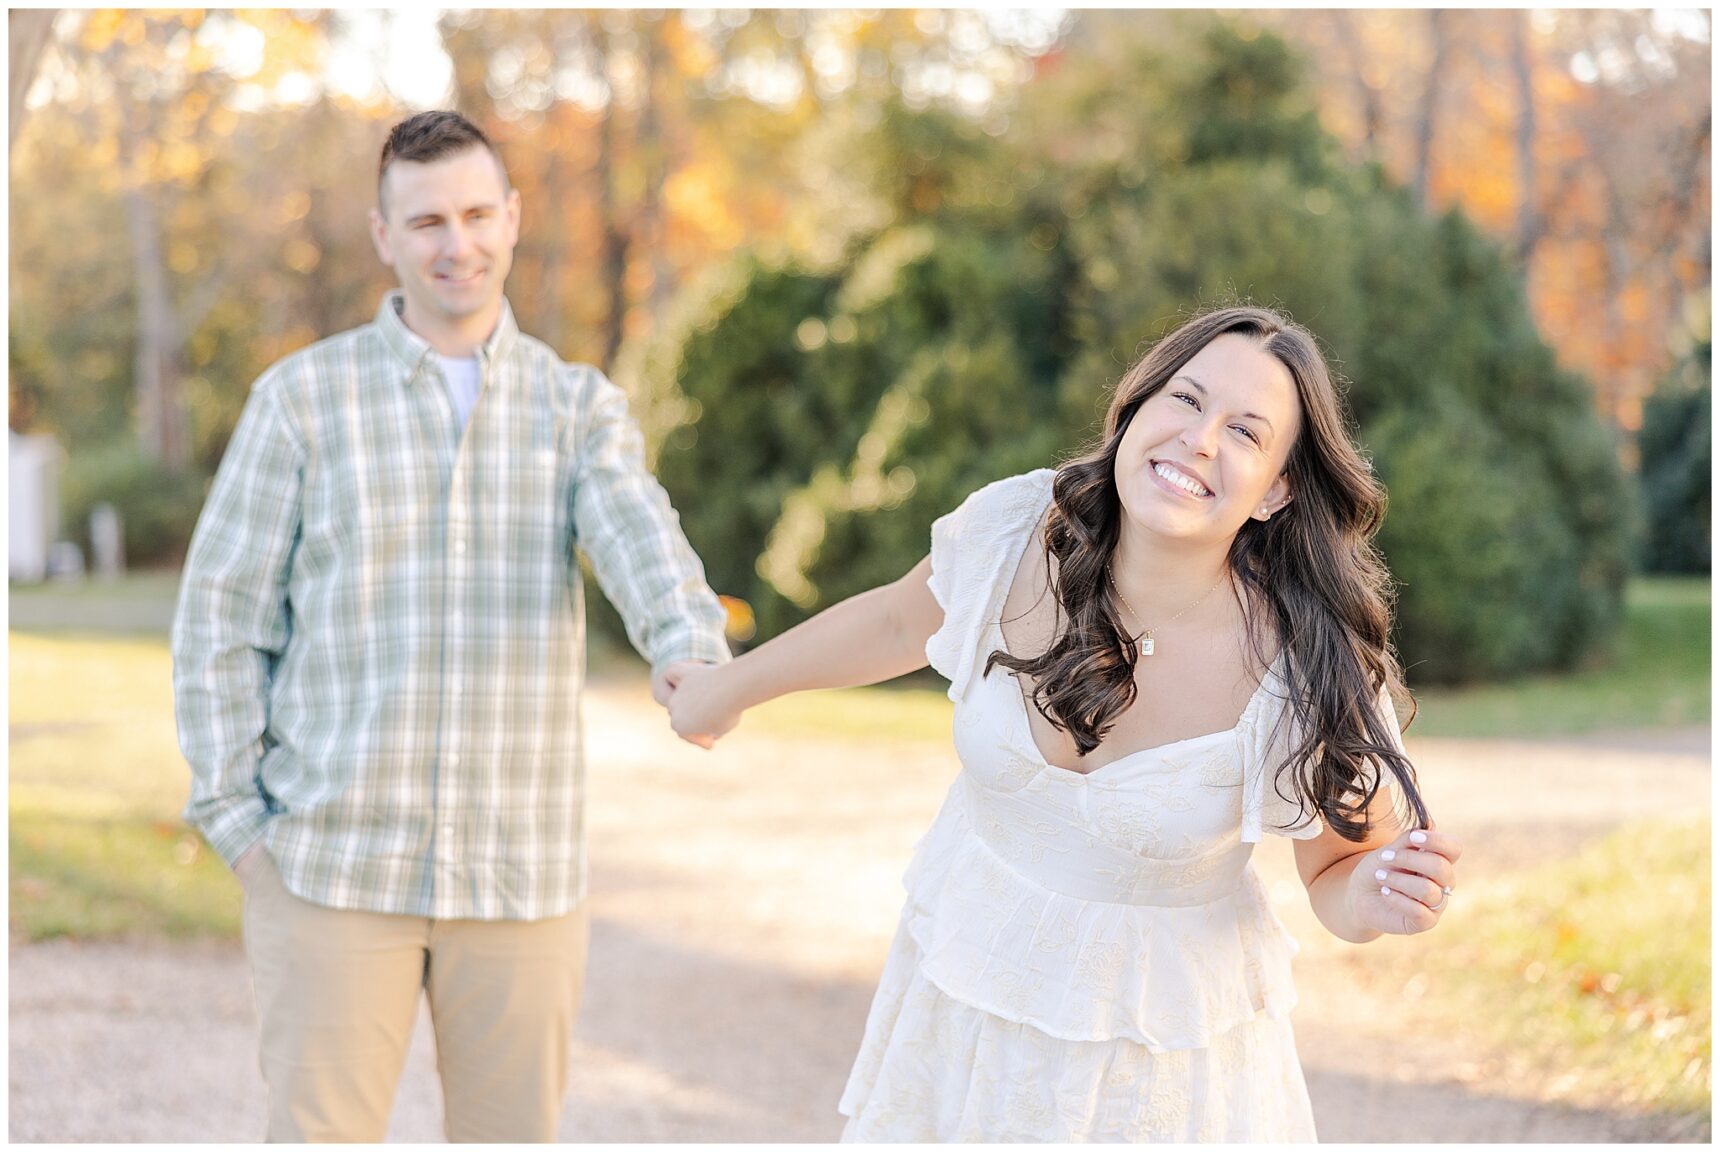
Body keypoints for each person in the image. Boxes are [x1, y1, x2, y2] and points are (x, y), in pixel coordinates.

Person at [664, 305, 1463, 1141]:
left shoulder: (1306, 669)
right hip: (963, 1013)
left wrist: (1374, 895)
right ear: (1135, 410)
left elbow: (1341, 871)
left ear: (1278, 491)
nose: (1198, 438)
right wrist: (727, 691)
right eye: (1186, 401)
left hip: (1158, 1075)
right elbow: (900, 624)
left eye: (1245, 432)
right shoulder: (1019, 531)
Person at [171, 110, 728, 1143]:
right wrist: (237, 826)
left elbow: (641, 541)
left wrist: (686, 649)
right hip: (328, 869)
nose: (455, 243)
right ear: (384, 234)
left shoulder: (578, 409)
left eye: (476, 214)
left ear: (513, 220)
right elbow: (218, 622)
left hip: (519, 873)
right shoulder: (299, 402)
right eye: (426, 220)